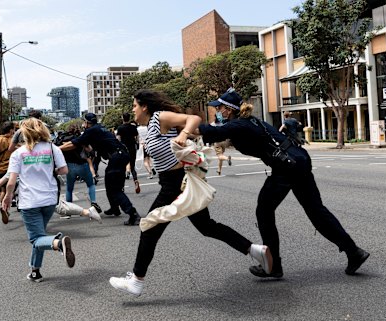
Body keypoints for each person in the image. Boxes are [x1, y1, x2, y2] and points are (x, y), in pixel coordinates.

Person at [109, 89, 272, 297]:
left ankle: (137, 280)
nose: (132, 109)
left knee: (149, 227)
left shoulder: (160, 117)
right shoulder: (150, 126)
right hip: (175, 183)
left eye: (134, 105)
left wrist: (184, 133)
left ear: (144, 107)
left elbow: (194, 118)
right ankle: (254, 250)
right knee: (206, 227)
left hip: (174, 185)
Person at [197, 89, 369, 278]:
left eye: (219, 108)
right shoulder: (250, 122)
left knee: (264, 211)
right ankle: (354, 252)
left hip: (286, 168)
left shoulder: (240, 124)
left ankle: (274, 265)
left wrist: (183, 126)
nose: (217, 112)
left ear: (228, 110)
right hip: (298, 160)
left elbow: (212, 132)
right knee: (316, 211)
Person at [2, 118, 75, 282]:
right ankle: (35, 271)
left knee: (36, 239)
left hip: (29, 202)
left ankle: (58, 242)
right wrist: (48, 170)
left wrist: (7, 198)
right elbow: (64, 170)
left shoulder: (18, 153)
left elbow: (12, 181)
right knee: (40, 236)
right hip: (49, 199)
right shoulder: (52, 148)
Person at [60, 113, 141, 226]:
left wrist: (57, 149)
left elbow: (74, 144)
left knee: (115, 189)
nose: (83, 124)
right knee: (109, 182)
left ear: (88, 123)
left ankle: (133, 214)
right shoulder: (100, 128)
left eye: (84, 122)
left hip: (117, 157)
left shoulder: (91, 130)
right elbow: (89, 148)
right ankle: (114, 208)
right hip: (121, 155)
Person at [54, 124, 102, 215]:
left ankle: (69, 210)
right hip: (82, 164)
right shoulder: (79, 138)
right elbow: (89, 149)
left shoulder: (62, 139)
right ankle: (93, 202)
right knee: (90, 184)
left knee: (69, 188)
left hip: (69, 165)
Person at [116, 112, 140, 193]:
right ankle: (136, 181)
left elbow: (118, 139)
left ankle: (122, 186)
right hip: (132, 148)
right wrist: (137, 144)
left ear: (123, 118)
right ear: (129, 118)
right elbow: (137, 137)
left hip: (124, 149)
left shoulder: (120, 128)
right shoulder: (133, 127)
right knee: (132, 166)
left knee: (122, 168)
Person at [208, 109, 232, 175]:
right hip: (224, 142)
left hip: (217, 142)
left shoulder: (213, 124)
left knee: (220, 156)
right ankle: (219, 170)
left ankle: (227, 158)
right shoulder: (223, 124)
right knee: (221, 156)